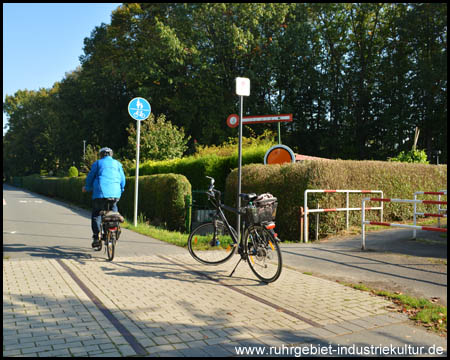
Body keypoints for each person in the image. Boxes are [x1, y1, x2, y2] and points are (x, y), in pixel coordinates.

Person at [82, 147, 126, 249]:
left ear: (101, 155)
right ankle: (114, 230)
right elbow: (122, 179)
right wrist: (121, 189)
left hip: (100, 194)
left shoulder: (97, 164)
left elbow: (90, 177)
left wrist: (87, 187)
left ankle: (96, 238)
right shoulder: (118, 164)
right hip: (115, 194)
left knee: (96, 214)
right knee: (113, 210)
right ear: (111, 155)